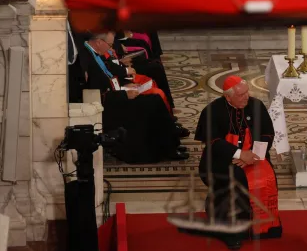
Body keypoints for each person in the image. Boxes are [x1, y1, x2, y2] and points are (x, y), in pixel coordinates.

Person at [194, 76, 281, 250]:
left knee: (266, 177)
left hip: (255, 157)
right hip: (220, 161)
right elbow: (213, 142)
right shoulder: (212, 111)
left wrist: (254, 155)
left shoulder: (256, 106)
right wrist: (241, 154)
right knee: (236, 181)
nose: (247, 97)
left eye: (247, 92)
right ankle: (230, 232)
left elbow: (267, 134)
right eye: (241, 95)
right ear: (228, 97)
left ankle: (261, 227)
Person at [81, 32, 188, 163]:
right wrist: (124, 94)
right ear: (98, 42)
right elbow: (96, 93)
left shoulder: (96, 54)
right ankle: (169, 147)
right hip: (109, 105)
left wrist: (125, 86)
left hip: (116, 95)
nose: (110, 48)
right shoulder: (87, 58)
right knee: (153, 102)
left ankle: (170, 143)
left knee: (155, 100)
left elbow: (110, 73)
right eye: (109, 44)